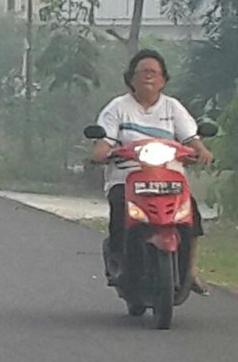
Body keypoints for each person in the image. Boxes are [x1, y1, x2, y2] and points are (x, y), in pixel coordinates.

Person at [90, 49, 213, 294]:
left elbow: (192, 138)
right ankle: (118, 260)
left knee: (191, 217)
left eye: (154, 72)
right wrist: (102, 152)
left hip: (169, 179)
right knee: (120, 210)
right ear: (131, 78)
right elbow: (104, 143)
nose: (149, 76)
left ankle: (189, 270)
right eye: (143, 71)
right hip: (127, 178)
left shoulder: (173, 107)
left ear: (163, 80)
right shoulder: (117, 108)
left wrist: (201, 151)